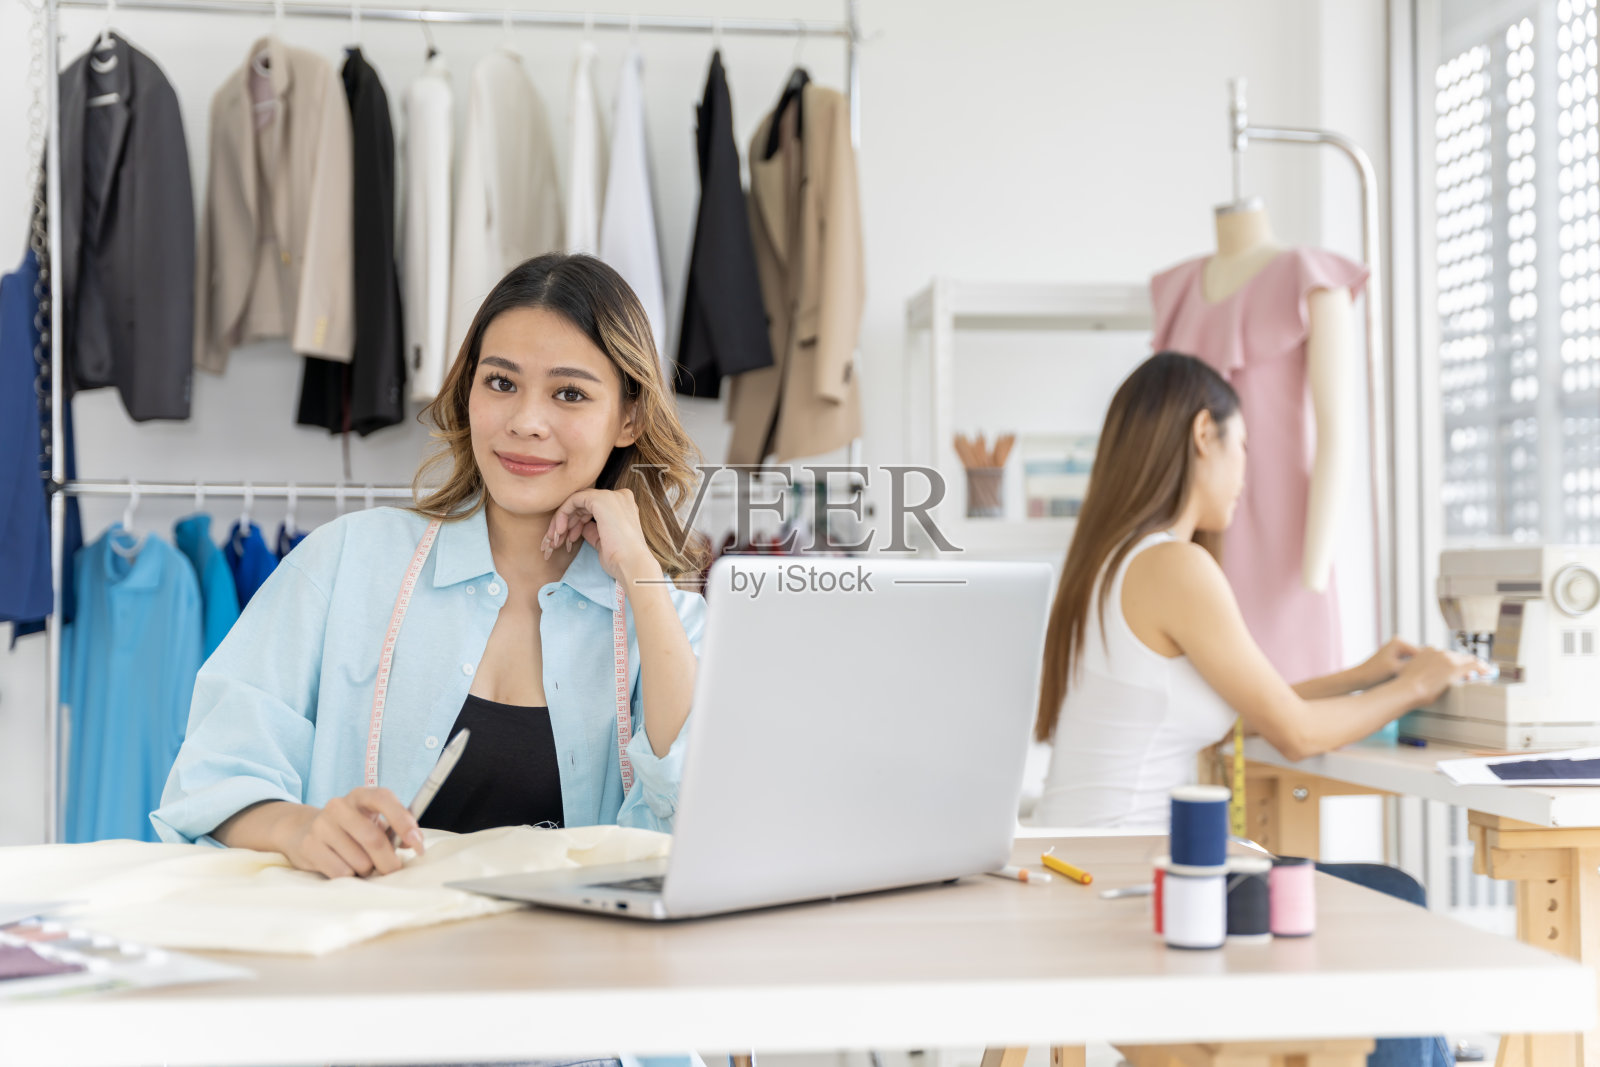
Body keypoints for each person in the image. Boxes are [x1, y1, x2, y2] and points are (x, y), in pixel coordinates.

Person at [153, 254, 709, 880]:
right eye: (501, 382)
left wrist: (640, 570)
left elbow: (697, 814)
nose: (526, 421)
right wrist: (300, 827)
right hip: (379, 966)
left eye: (570, 393)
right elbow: (214, 773)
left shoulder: (667, 620)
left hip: (573, 973)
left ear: (629, 417)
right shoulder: (346, 562)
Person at [1033, 351, 1482, 830]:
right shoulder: (1173, 566)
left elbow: (1251, 710)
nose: (1245, 473)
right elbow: (1297, 734)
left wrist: (1361, 676)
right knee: (1395, 891)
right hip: (1119, 870)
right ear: (1205, 433)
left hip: (1076, 855)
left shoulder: (1110, 561)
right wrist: (1417, 685)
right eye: (1243, 445)